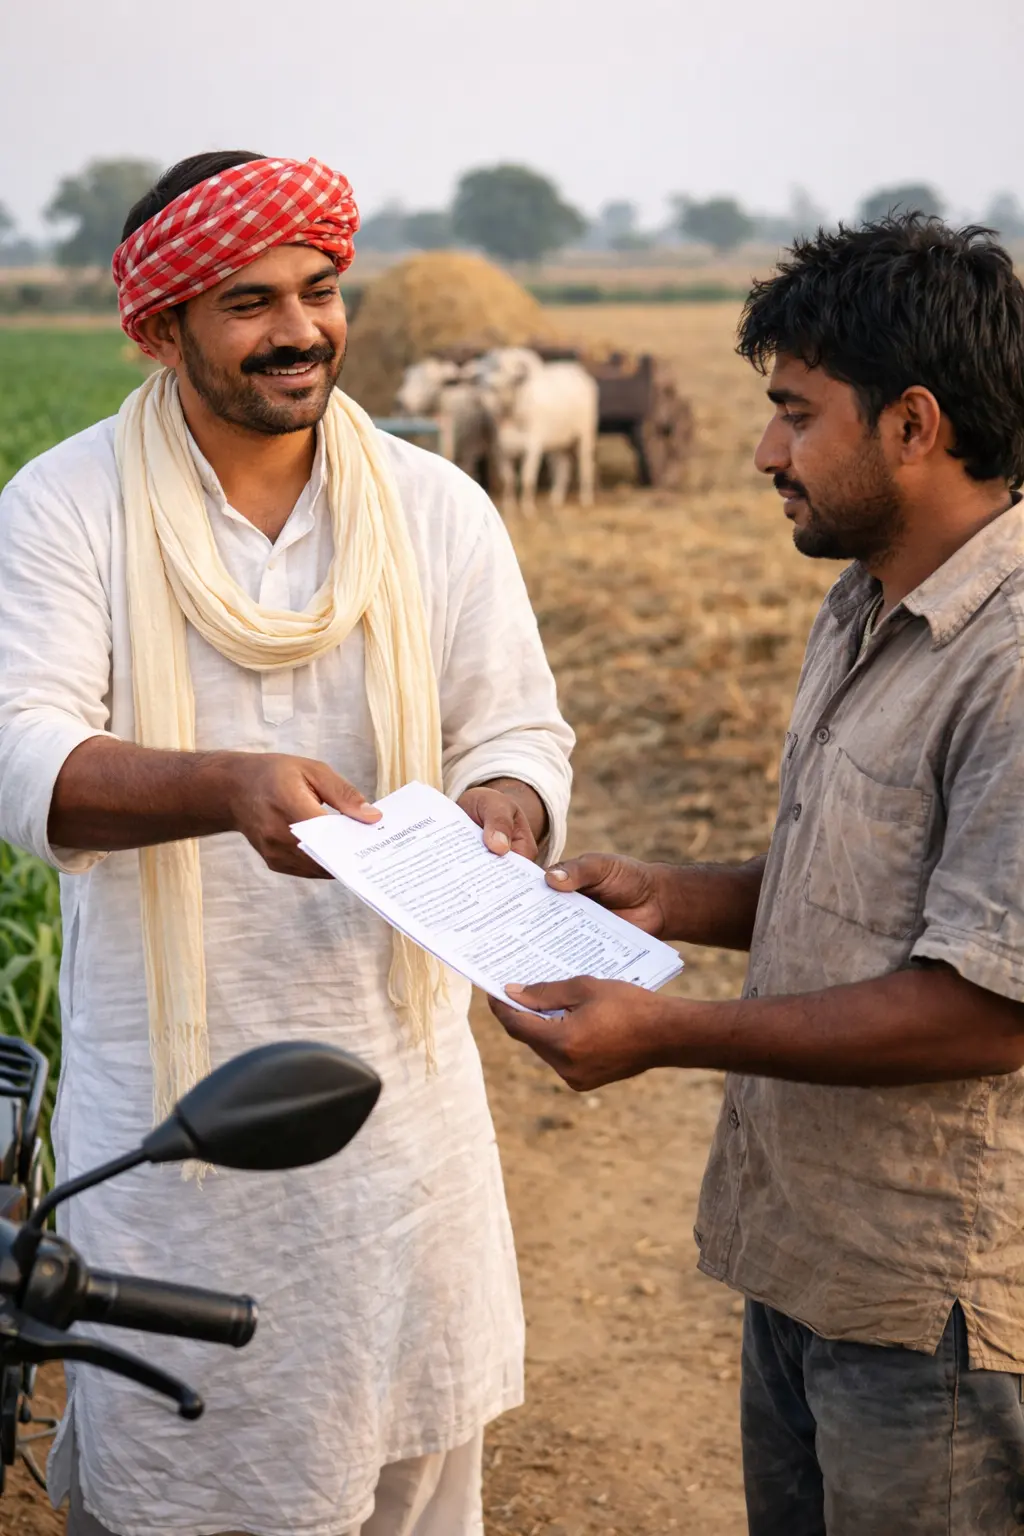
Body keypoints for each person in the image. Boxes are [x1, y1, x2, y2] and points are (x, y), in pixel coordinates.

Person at [0, 150, 573, 1536]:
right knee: (191, 1454)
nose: (301, 328)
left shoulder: (435, 504)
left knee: (405, 1449)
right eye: (250, 301)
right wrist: (226, 788)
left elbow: (520, 730)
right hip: (178, 1107)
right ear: (160, 328)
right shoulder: (66, 507)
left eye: (319, 289)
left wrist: (506, 805)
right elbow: (21, 757)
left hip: (402, 1090)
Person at [490, 216, 1024, 1535]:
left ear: (912, 426)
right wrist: (679, 897)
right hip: (806, 1256)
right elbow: (874, 872)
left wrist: (670, 1031)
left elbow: (988, 1006)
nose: (761, 451)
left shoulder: (1012, 663)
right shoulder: (865, 597)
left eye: (794, 414)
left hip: (933, 1310)